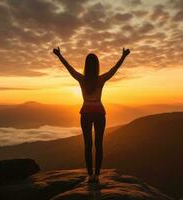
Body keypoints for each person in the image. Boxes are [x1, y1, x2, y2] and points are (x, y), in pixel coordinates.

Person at [53, 47, 130, 183]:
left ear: (86, 65)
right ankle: (97, 174)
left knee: (87, 145)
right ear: (97, 66)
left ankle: (90, 175)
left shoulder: (81, 79)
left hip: (85, 114)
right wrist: (123, 56)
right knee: (99, 145)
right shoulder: (101, 80)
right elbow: (114, 69)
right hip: (99, 113)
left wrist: (59, 55)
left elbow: (69, 68)